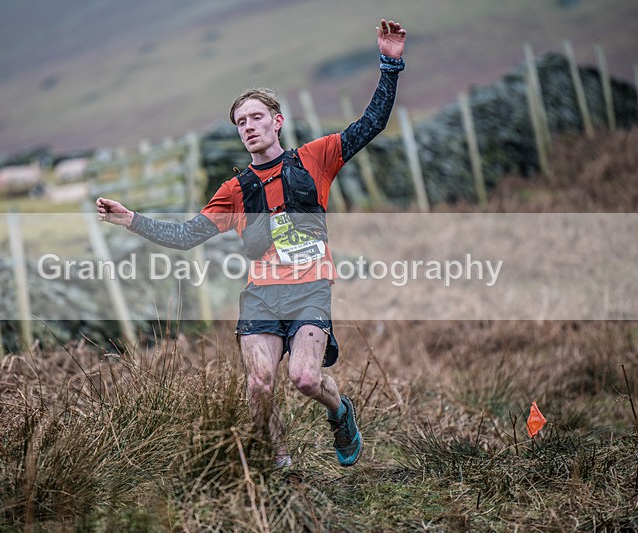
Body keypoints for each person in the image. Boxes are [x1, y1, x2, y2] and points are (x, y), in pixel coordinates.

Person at [97, 18, 406, 468]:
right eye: (240, 122)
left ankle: (340, 413)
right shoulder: (234, 191)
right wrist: (131, 220)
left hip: (310, 290)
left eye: (256, 117)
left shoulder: (314, 158)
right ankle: (277, 465)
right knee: (259, 385)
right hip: (262, 296)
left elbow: (371, 123)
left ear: (277, 121)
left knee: (303, 378)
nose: (248, 126)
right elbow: (186, 235)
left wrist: (389, 63)